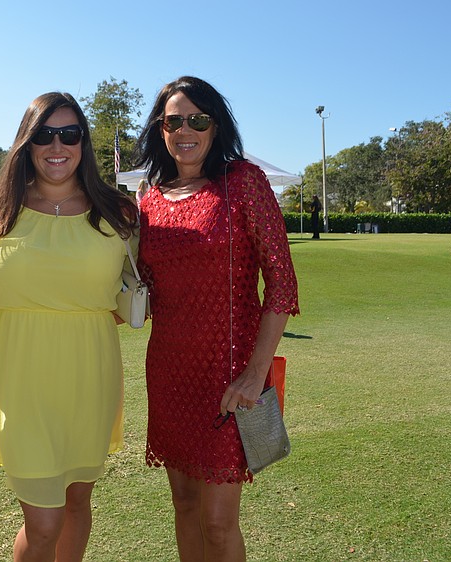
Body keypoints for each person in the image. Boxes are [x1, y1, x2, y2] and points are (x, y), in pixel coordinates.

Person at [0, 92, 137, 562]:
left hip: (91, 374)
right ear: (27, 142)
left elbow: (138, 294)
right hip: (20, 380)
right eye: (44, 134)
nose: (56, 145)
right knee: (43, 522)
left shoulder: (118, 214)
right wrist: (15, 315)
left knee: (78, 501)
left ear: (83, 142)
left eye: (69, 134)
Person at [134, 76, 300, 561]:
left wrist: (254, 373)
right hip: (168, 371)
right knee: (184, 504)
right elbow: (142, 285)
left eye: (197, 120)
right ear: (160, 130)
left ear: (215, 126)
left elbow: (283, 285)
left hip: (230, 377)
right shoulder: (150, 199)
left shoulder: (244, 182)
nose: (185, 130)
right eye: (173, 121)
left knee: (218, 522)